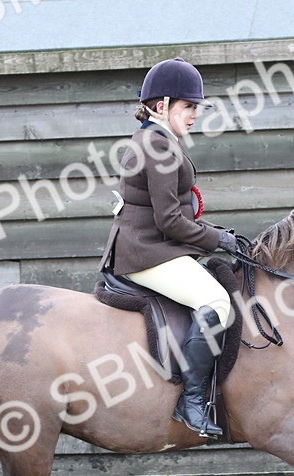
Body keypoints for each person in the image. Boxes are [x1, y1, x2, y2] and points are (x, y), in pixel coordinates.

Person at [98, 57, 240, 438]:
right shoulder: (158, 146)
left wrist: (216, 233)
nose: (195, 115)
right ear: (162, 105)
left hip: (154, 245)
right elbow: (171, 221)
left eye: (196, 108)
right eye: (188, 106)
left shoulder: (157, 140)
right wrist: (219, 239)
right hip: (147, 250)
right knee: (217, 303)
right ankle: (191, 401)